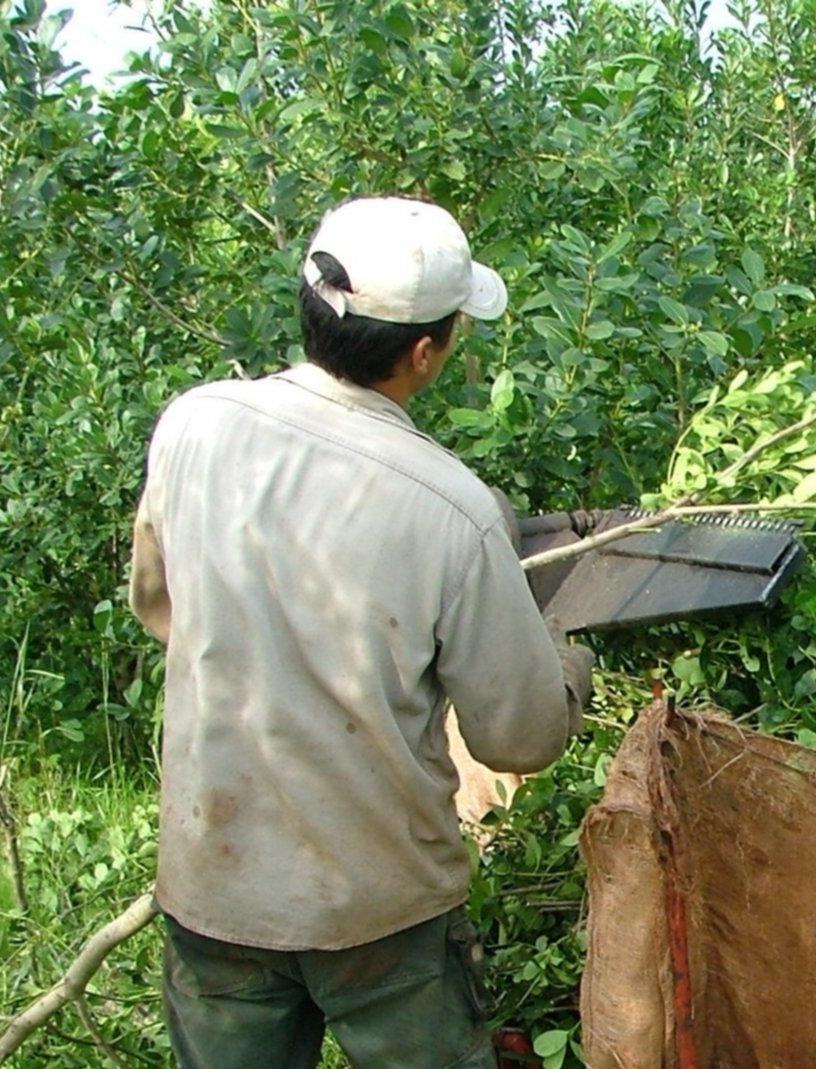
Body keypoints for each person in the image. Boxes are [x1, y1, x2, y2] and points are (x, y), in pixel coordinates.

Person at [129, 196, 595, 1069]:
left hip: (215, 879)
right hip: (380, 909)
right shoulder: (453, 508)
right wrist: (568, 666)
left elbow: (162, 606)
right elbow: (518, 737)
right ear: (424, 351)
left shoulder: (192, 424)